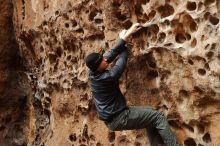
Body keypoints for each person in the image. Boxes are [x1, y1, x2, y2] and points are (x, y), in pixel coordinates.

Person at [85, 23, 179, 146]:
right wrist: (125, 42)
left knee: (150, 115)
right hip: (119, 118)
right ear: (97, 67)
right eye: (102, 61)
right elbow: (122, 60)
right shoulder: (107, 77)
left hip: (116, 116)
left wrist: (125, 36)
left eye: (102, 57)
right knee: (158, 117)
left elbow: (112, 53)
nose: (105, 59)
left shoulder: (93, 71)